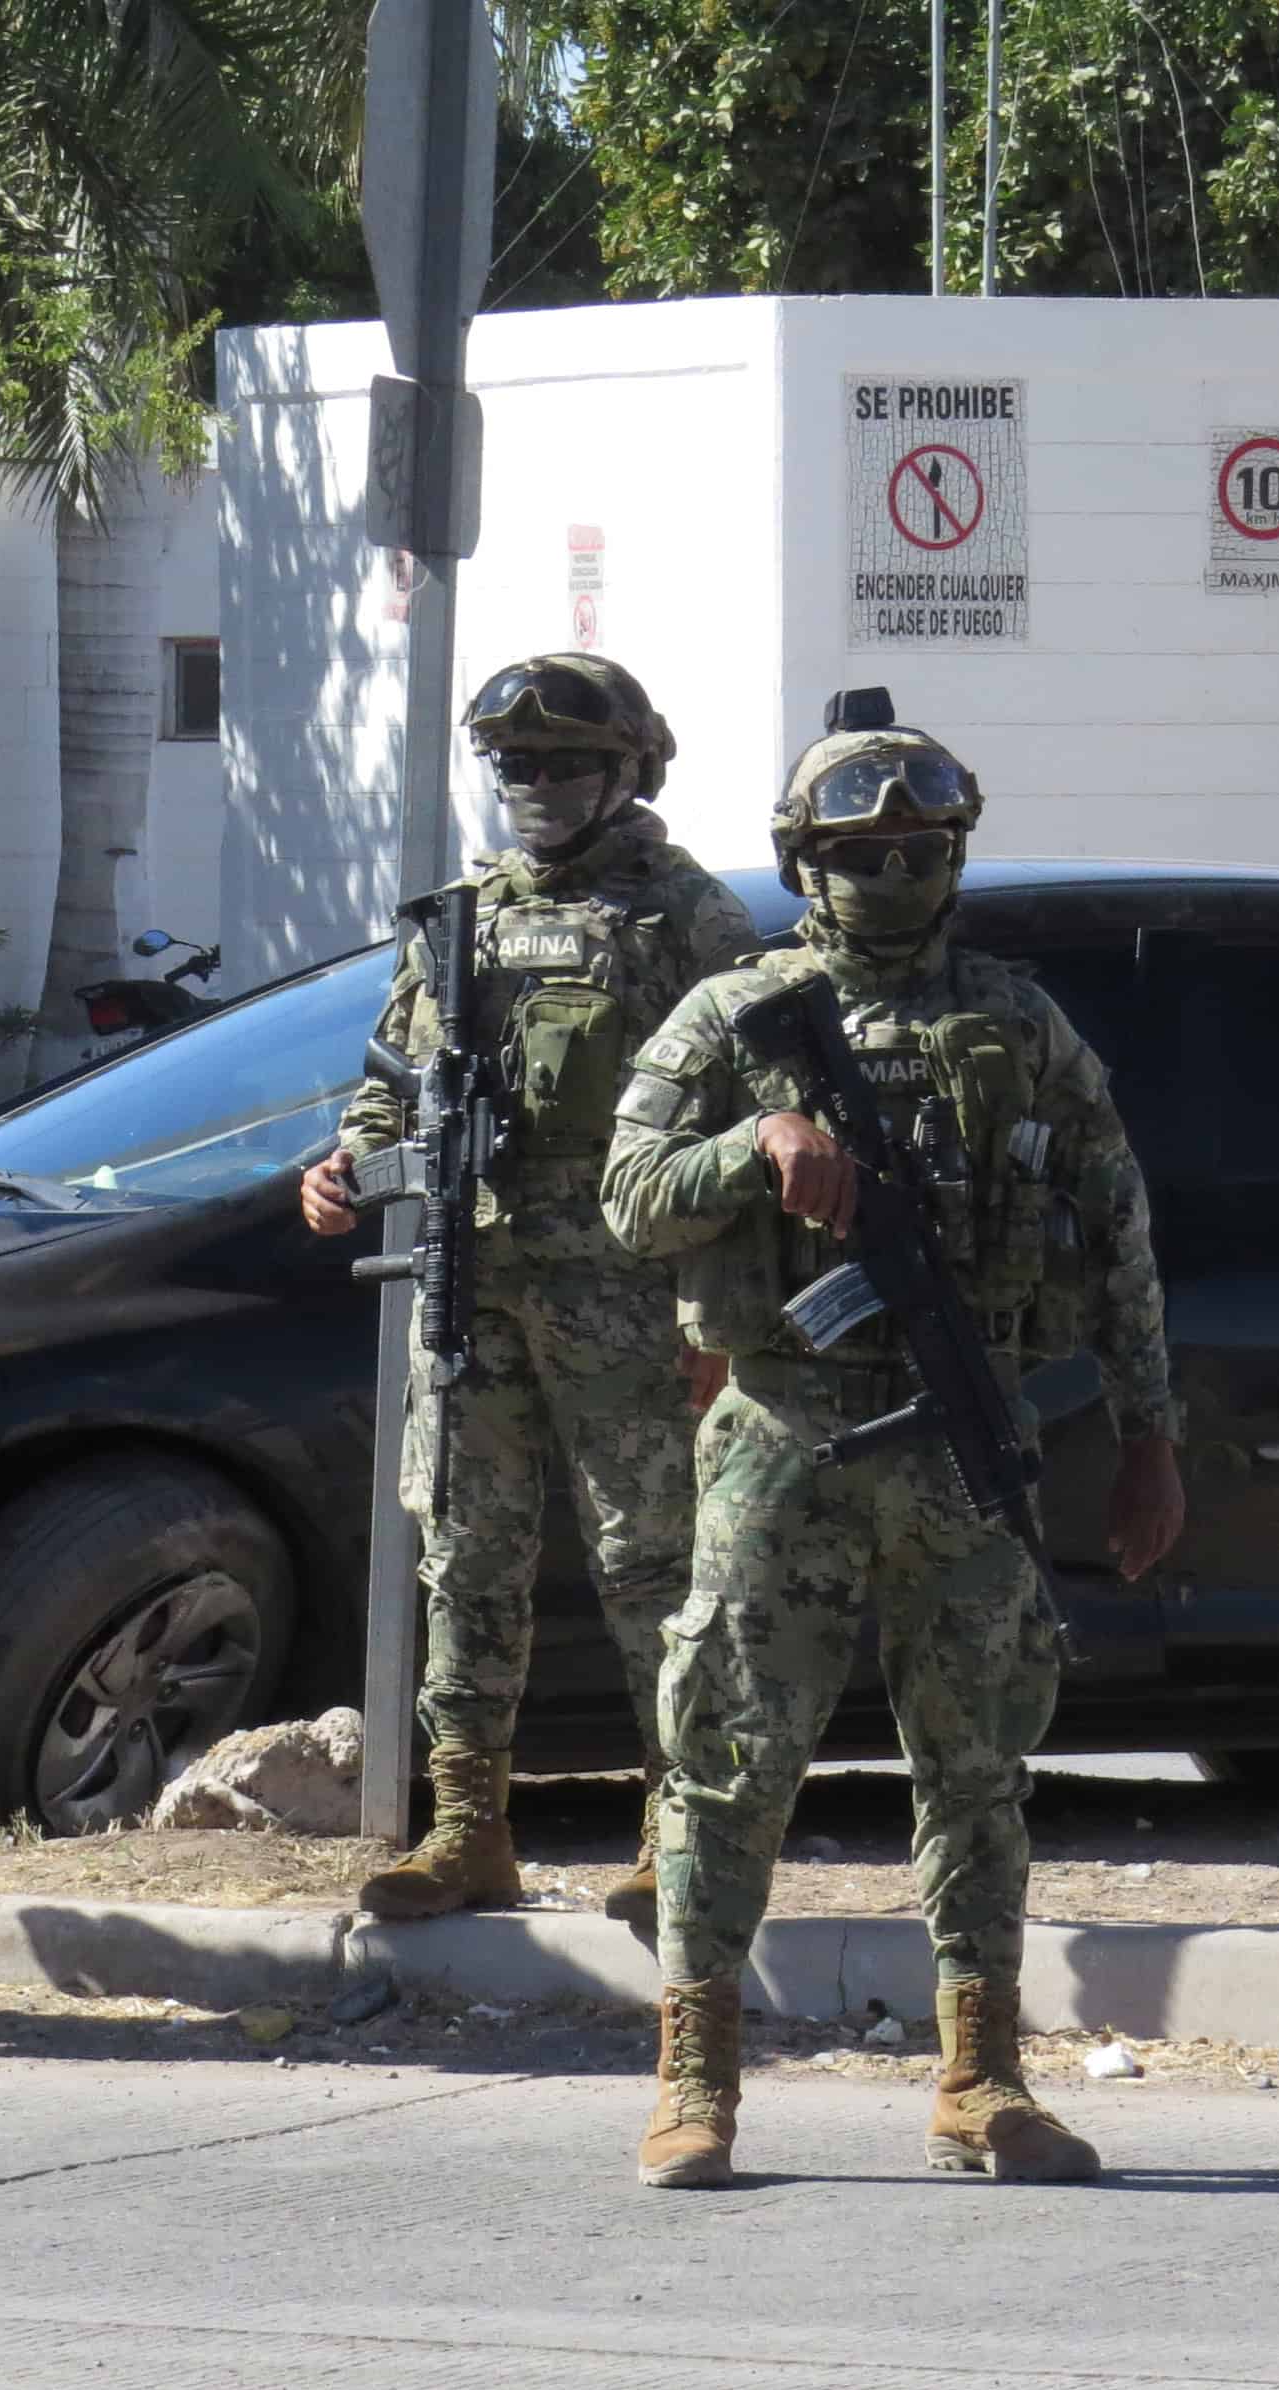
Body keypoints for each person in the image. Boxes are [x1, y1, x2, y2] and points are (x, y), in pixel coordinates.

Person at [599, 711, 1186, 2189]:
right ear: (808, 862)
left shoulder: (1021, 1021)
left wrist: (1148, 1439)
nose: (893, 873)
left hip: (962, 1432)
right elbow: (629, 1192)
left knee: (979, 1764)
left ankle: (981, 2077)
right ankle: (696, 2077)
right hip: (785, 1433)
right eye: (860, 853)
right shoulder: (740, 1016)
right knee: (730, 1755)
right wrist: (758, 1153)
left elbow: (1117, 1232)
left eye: (919, 849)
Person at [302, 654, 758, 1927]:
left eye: (562, 764)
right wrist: (348, 1164)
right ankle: (467, 1829)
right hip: (473, 1277)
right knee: (467, 1557)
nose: (534, 788)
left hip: (629, 1297)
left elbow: (750, 1118)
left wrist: (719, 1312)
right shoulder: (461, 920)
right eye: (513, 766)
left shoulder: (687, 920)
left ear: (626, 771)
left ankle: (678, 1830)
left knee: (653, 1564)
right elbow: (392, 1079)